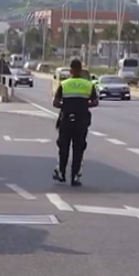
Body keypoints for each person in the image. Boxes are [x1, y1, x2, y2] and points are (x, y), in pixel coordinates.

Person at [52, 59, 98, 187]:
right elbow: (95, 102)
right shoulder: (88, 85)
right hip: (82, 121)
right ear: (81, 70)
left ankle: (61, 172)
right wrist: (83, 105)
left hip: (66, 120)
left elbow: (55, 103)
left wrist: (66, 106)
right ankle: (75, 176)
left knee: (63, 148)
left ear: (71, 70)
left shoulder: (64, 84)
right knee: (79, 149)